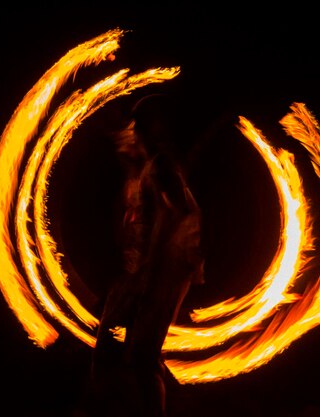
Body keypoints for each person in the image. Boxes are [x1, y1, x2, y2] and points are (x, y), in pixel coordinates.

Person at [87, 94, 206, 417]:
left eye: (138, 126)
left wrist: (152, 270)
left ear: (152, 128)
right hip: (145, 273)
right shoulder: (145, 169)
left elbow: (179, 213)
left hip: (163, 273)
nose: (132, 132)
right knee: (119, 348)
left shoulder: (162, 166)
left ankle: (166, 408)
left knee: (142, 354)